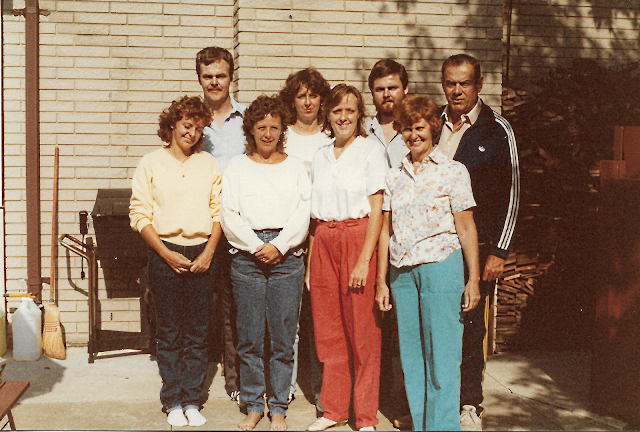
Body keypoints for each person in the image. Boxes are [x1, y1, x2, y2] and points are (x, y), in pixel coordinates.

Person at [376, 95, 481, 431]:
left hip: (441, 266)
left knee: (443, 353)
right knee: (412, 355)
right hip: (403, 272)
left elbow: (466, 227)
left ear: (433, 128)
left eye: (419, 127)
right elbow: (385, 231)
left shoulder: (453, 171)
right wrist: (381, 281)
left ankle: (444, 426)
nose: (413, 135)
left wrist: (473, 279)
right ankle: (423, 425)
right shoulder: (394, 176)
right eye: (407, 129)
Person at [438, 54, 520, 431]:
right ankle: (438, 402)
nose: (457, 90)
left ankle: (469, 403)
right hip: (435, 250)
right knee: (438, 327)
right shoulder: (432, 124)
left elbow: (512, 194)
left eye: (465, 83)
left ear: (479, 84)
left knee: (471, 328)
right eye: (451, 83)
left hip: (478, 248)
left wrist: (499, 251)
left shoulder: (497, 129)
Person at [221, 95, 311, 431]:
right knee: (250, 338)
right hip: (248, 257)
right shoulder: (237, 166)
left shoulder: (295, 167)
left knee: (283, 338)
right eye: (261, 127)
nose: (268, 133)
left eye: (274, 127)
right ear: (251, 130)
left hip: (287, 257)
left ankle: (278, 408)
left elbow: (303, 212)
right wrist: (257, 246)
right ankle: (253, 404)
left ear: (282, 130)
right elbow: (229, 213)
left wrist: (279, 245)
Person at [130, 96, 220, 427]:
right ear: (171, 125)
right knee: (168, 332)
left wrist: (209, 252)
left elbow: (218, 211)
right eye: (186, 125)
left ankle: (192, 399)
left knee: (197, 332)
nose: (192, 133)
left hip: (201, 253)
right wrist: (165, 253)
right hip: (164, 252)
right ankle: (173, 400)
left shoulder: (208, 163)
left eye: (198, 128)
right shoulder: (150, 163)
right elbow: (139, 214)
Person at [306, 84, 387, 432]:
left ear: (359, 115)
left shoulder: (371, 151)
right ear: (328, 114)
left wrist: (364, 260)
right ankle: (335, 409)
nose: (343, 117)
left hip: (357, 238)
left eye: (350, 111)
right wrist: (311, 264)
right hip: (325, 239)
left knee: (363, 333)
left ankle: (366, 416)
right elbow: (314, 217)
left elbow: (377, 209)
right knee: (329, 331)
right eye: (337, 110)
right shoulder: (321, 155)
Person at [277, 68, 332, 410]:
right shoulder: (283, 136)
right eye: (301, 96)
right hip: (290, 231)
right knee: (289, 316)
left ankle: (322, 389)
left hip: (323, 230)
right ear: (292, 100)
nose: (308, 102)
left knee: (320, 316)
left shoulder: (330, 134)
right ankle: (285, 384)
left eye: (313, 95)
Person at [196, 46, 247, 405]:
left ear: (231, 77)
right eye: (208, 76)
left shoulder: (247, 119)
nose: (215, 82)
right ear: (200, 79)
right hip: (201, 225)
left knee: (234, 306)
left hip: (239, 226)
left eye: (221, 76)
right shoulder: (191, 120)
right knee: (199, 307)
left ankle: (236, 379)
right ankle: (192, 379)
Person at [366, 58, 410, 169]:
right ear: (372, 92)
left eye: (392, 88)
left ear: (405, 89)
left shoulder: (417, 130)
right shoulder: (360, 130)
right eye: (380, 89)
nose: (386, 94)